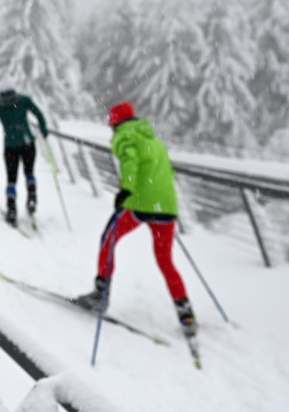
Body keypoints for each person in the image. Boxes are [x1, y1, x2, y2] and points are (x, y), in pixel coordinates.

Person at [73, 101, 197, 338]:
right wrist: (162, 204)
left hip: (140, 203)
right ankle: (186, 312)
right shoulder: (153, 140)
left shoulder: (125, 135)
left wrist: (126, 190)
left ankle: (100, 295)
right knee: (165, 260)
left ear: (116, 123)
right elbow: (164, 171)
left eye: (112, 125)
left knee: (108, 240)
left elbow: (131, 162)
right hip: (166, 207)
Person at [0, 85, 48, 225]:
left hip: (10, 147)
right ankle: (32, 199)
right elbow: (39, 114)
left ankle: (11, 209)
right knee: (29, 172)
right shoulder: (24, 100)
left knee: (11, 178)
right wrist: (43, 128)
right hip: (28, 143)